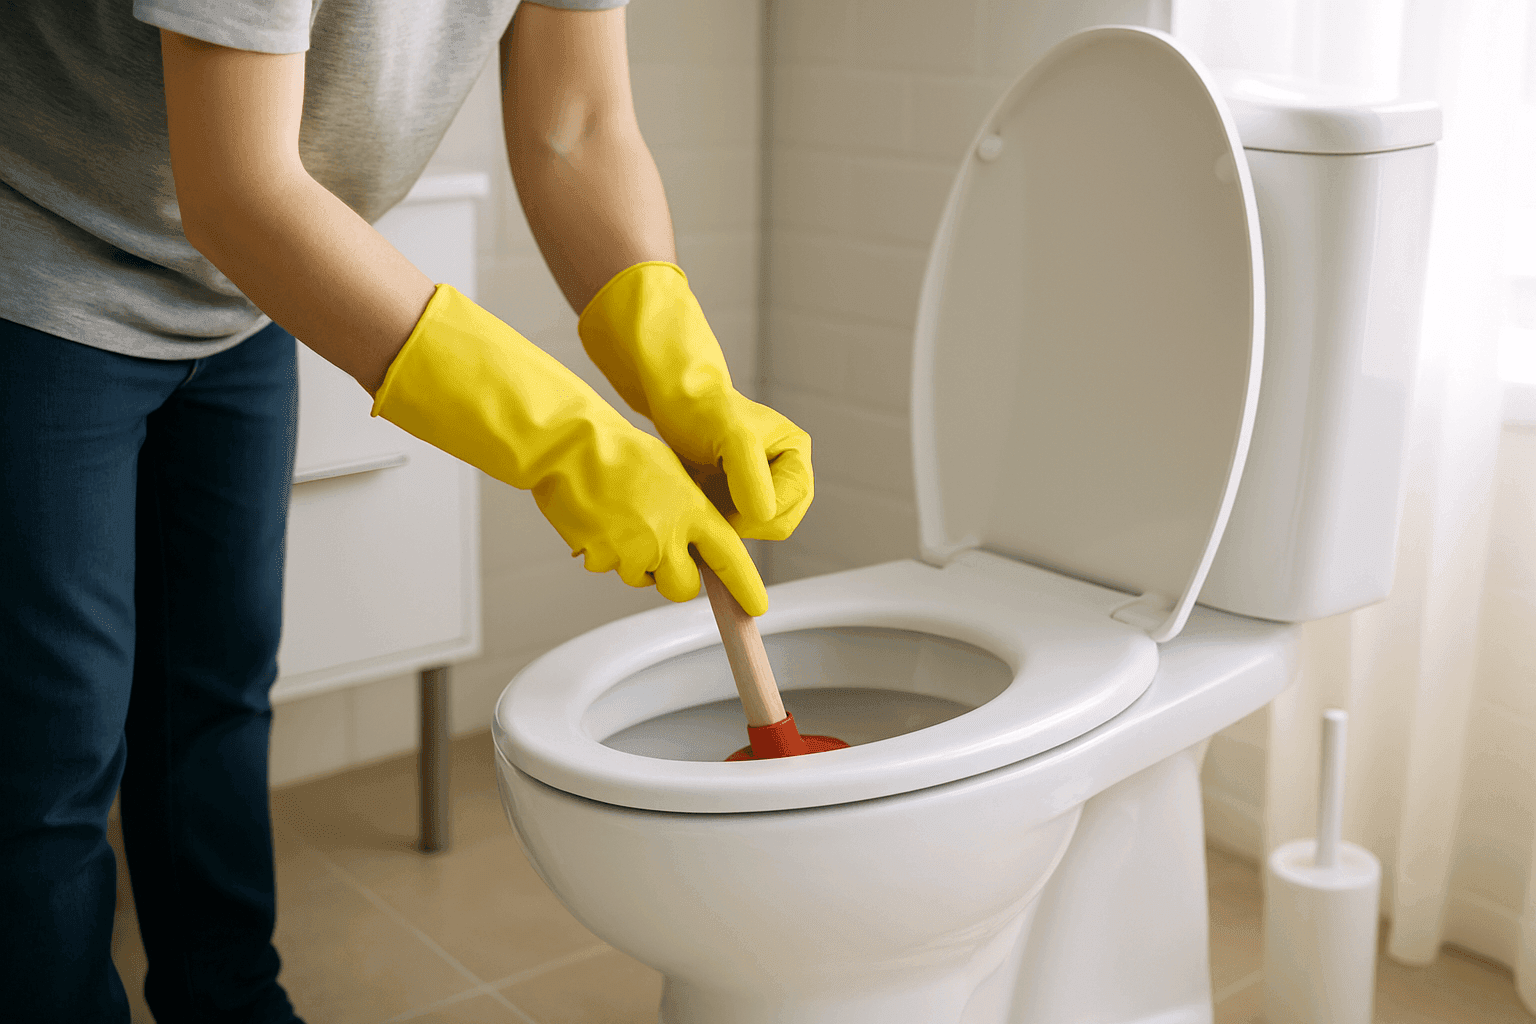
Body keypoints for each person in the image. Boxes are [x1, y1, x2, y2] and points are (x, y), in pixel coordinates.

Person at [0, 0, 813, 1020]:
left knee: (212, 694)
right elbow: (238, 186)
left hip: (238, 288)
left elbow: (578, 125)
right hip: (37, 258)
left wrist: (682, 373)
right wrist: (563, 439)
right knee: (47, 754)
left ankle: (231, 999)